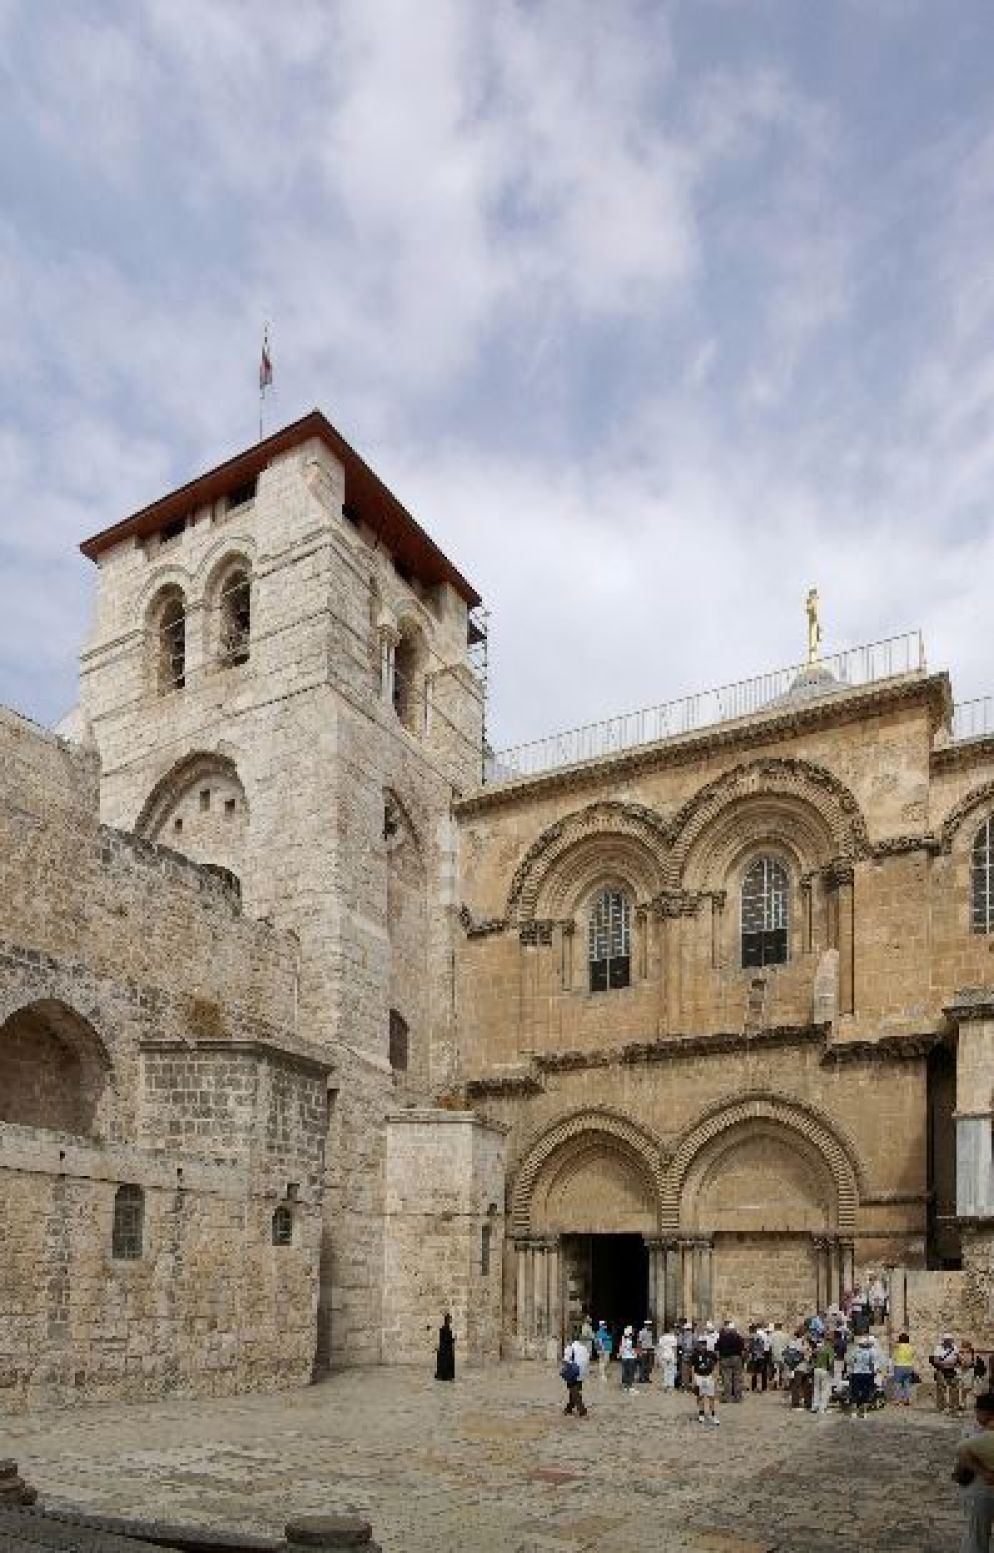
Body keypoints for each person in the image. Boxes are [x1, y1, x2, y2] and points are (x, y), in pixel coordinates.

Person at [952, 1391, 994, 1552]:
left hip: (980, 1490)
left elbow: (962, 1453)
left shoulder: (972, 1432)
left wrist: (983, 1473)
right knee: (976, 1534)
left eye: (978, 1410)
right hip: (979, 1489)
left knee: (976, 1536)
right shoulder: (971, 1429)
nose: (976, 1413)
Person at [691, 1336, 720, 1426]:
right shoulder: (695, 1354)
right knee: (700, 1396)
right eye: (701, 1343)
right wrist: (693, 1379)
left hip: (709, 1376)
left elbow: (716, 1364)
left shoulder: (711, 1354)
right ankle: (701, 1413)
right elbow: (692, 1367)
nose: (703, 1345)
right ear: (698, 1344)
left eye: (704, 1343)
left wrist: (716, 1375)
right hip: (699, 1376)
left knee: (711, 1396)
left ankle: (713, 1414)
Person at [847, 1332, 877, 1418]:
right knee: (866, 1392)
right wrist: (873, 1372)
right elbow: (872, 1363)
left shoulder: (855, 1351)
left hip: (856, 1373)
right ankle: (864, 1412)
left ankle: (854, 1412)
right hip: (867, 1374)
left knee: (854, 1392)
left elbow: (850, 1362)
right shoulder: (870, 1352)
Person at [932, 1335, 963, 1415]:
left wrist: (957, 1362)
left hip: (952, 1370)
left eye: (950, 1340)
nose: (948, 1342)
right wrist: (946, 1363)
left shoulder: (955, 1348)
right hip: (941, 1370)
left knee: (954, 1389)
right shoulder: (938, 1348)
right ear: (944, 1340)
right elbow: (936, 1361)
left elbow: (959, 1359)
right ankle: (941, 1407)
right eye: (947, 1340)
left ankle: (954, 1408)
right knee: (941, 1388)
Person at [561, 1334, 589, 1417]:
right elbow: (587, 1359)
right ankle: (568, 1408)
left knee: (574, 1391)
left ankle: (582, 1410)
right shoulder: (584, 1348)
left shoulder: (570, 1347)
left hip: (573, 1372)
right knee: (574, 1390)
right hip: (582, 1372)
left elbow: (566, 1360)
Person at [717, 1320, 745, 1403]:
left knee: (726, 1379)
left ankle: (727, 1397)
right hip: (736, 1358)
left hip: (725, 1359)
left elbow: (717, 1349)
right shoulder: (739, 1337)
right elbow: (743, 1351)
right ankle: (737, 1397)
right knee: (737, 1378)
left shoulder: (722, 1337)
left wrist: (719, 1359)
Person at [811, 1331, 834, 1415]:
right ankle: (822, 1408)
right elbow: (830, 1361)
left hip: (816, 1369)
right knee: (825, 1390)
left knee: (816, 1388)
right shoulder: (829, 1348)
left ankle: (814, 1406)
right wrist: (831, 1371)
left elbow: (812, 1358)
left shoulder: (817, 1348)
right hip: (825, 1369)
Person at [891, 1330, 916, 1407]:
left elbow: (894, 1356)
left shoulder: (898, 1347)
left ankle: (897, 1400)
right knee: (906, 1383)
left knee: (897, 1383)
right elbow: (913, 1355)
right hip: (908, 1366)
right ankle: (907, 1399)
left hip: (899, 1366)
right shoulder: (911, 1347)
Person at [748, 1324, 770, 1392]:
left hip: (756, 1356)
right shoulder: (763, 1335)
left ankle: (754, 1387)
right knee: (763, 1372)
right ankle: (763, 1387)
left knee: (754, 1372)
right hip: (763, 1355)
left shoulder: (754, 1336)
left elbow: (751, 1347)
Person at [435, 1312, 455, 1381]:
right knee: (446, 1363)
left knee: (445, 1363)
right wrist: (453, 1340)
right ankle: (446, 1376)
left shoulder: (444, 1329)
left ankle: (445, 1376)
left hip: (444, 1349)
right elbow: (446, 1339)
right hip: (446, 1349)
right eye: (450, 1319)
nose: (451, 1321)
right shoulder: (445, 1329)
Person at [769, 1322, 787, 1390]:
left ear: (775, 1327)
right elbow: (788, 1346)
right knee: (784, 1370)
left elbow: (769, 1345)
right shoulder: (785, 1335)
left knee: (776, 1369)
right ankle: (785, 1384)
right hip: (784, 1355)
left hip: (775, 1354)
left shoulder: (772, 1335)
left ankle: (775, 1384)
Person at [619, 1326, 638, 1392]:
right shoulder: (630, 1341)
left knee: (625, 1372)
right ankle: (630, 1386)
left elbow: (621, 1349)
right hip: (630, 1358)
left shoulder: (623, 1340)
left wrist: (621, 1354)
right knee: (631, 1372)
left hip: (624, 1358)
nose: (633, 1333)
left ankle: (625, 1386)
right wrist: (635, 1353)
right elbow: (633, 1350)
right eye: (632, 1332)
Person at [677, 1322, 694, 1390]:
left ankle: (686, 1385)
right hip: (688, 1355)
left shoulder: (683, 1336)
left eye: (687, 1329)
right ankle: (686, 1385)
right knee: (686, 1371)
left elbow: (679, 1345)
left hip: (686, 1355)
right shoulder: (693, 1336)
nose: (687, 1331)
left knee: (686, 1371)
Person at [638, 1320, 654, 1384]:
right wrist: (640, 1351)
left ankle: (647, 1377)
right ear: (645, 1325)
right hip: (644, 1349)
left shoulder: (650, 1332)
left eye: (650, 1325)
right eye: (648, 1325)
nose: (649, 1326)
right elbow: (639, 1342)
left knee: (649, 1365)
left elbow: (651, 1341)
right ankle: (641, 1378)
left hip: (650, 1349)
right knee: (643, 1365)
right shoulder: (641, 1332)